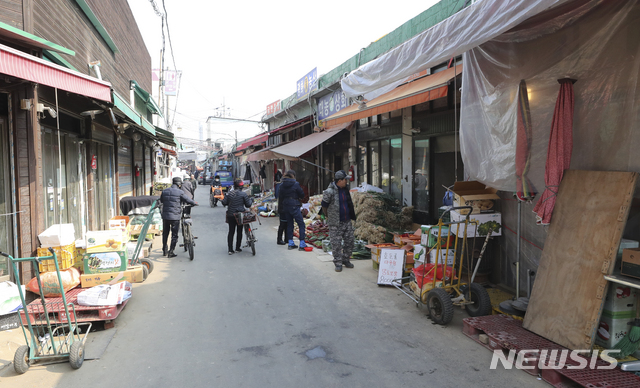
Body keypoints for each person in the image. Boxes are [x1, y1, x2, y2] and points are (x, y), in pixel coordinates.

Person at [321, 170, 356, 272]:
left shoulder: (345, 189)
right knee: (336, 244)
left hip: (347, 220)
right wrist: (329, 216)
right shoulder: (329, 192)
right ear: (340, 180)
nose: (346, 182)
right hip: (335, 222)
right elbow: (324, 206)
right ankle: (338, 262)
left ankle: (346, 259)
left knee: (350, 241)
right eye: (345, 180)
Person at [160, 177, 197, 258]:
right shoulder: (180, 192)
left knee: (165, 233)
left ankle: (164, 250)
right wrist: (194, 203)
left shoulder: (165, 191)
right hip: (175, 217)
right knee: (174, 235)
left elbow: (161, 200)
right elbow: (188, 200)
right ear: (179, 184)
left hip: (165, 216)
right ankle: (171, 252)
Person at [278, 170, 308, 251]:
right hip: (294, 205)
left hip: (286, 206)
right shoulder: (295, 184)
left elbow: (280, 196)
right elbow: (302, 194)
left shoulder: (282, 185)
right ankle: (302, 244)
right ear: (293, 176)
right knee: (301, 224)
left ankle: (291, 243)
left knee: (290, 224)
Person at [222, 179, 253, 255]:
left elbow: (224, 202)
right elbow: (248, 205)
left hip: (231, 215)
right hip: (240, 215)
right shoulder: (243, 194)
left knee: (231, 231)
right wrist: (251, 200)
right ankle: (237, 248)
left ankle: (230, 249)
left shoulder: (229, 194)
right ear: (241, 186)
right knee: (239, 231)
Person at [274, 181, 287, 245]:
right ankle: (279, 239)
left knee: (285, 224)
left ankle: (286, 239)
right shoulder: (283, 187)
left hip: (283, 208)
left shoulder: (280, 186)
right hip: (283, 208)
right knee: (283, 224)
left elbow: (276, 196)